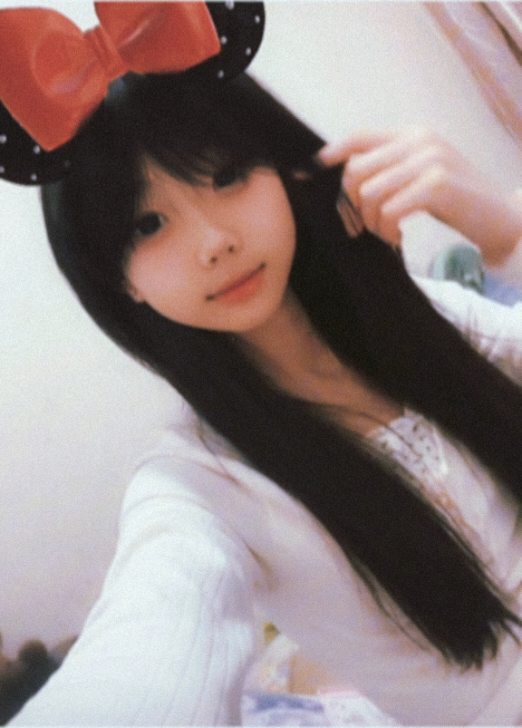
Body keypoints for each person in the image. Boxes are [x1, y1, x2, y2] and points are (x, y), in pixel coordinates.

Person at [3, 3, 522, 725]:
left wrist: (510, 235)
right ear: (119, 281)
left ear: (282, 171)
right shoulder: (200, 487)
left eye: (227, 175)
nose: (213, 241)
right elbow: (148, 643)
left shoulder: (420, 319)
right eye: (148, 224)